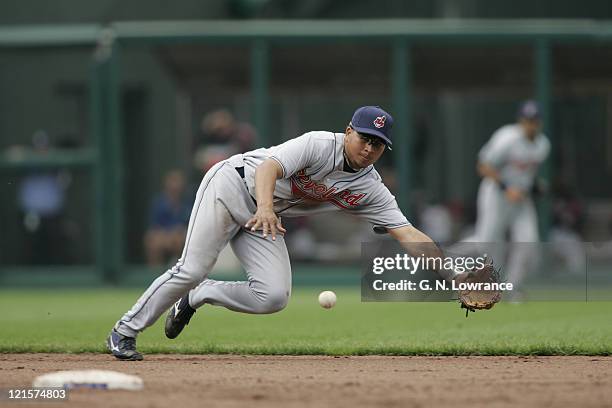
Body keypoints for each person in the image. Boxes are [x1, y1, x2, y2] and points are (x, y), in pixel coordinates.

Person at [106, 106, 469, 361]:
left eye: (378, 144)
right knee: (191, 268)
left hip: (265, 215)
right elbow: (268, 167)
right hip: (232, 186)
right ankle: (125, 331)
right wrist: (264, 207)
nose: (369, 148)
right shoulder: (318, 144)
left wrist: (453, 275)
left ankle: (201, 296)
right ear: (348, 132)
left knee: (274, 296)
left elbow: (407, 233)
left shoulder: (371, 188)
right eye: (365, 138)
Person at [466, 100, 551, 287]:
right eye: (528, 120)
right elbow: (483, 166)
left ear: (540, 122)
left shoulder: (543, 145)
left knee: (528, 242)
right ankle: (449, 258)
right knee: (486, 242)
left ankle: (512, 287)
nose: (531, 124)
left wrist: (536, 186)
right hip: (496, 194)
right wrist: (506, 187)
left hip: (521, 199)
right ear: (521, 120)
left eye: (535, 120)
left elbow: (526, 175)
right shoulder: (507, 138)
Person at [144, 170, 192, 266]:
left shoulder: (186, 202)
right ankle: (155, 272)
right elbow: (155, 226)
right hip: (162, 235)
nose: (175, 185)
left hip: (179, 236)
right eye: (172, 181)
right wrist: (166, 236)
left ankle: (179, 271)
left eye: (177, 181)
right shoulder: (158, 202)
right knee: (153, 241)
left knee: (179, 239)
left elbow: (188, 225)